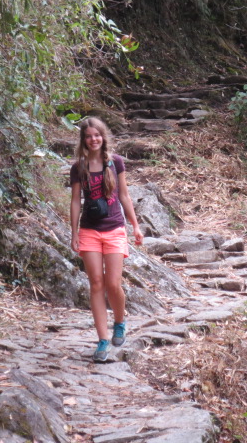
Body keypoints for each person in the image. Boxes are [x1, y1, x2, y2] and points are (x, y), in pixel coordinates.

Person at [70, 117, 144, 362]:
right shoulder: (78, 167)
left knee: (113, 284)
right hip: (89, 231)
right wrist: (73, 233)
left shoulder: (116, 163)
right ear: (84, 140)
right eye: (89, 136)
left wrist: (135, 226)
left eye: (97, 135)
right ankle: (102, 340)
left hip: (114, 229)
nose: (93, 139)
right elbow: (75, 201)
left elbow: (124, 195)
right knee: (96, 284)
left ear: (103, 137)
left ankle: (120, 322)